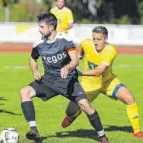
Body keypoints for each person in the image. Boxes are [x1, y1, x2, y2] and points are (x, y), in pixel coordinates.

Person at [20, 13, 109, 143]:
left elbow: (75, 61)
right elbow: (32, 59)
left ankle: (102, 136)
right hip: (48, 81)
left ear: (51, 27)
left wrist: (67, 67)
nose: (38, 29)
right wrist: (35, 71)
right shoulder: (38, 44)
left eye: (41, 26)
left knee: (85, 105)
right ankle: (33, 130)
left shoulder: (64, 40)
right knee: (24, 92)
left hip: (68, 81)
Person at [61, 26, 143, 139]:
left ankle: (137, 132)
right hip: (88, 84)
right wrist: (78, 55)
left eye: (99, 39)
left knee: (130, 99)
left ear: (106, 38)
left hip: (108, 82)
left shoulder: (111, 50)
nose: (96, 42)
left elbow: (98, 72)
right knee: (70, 111)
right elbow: (80, 45)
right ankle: (75, 114)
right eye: (94, 39)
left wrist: (78, 73)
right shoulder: (86, 43)